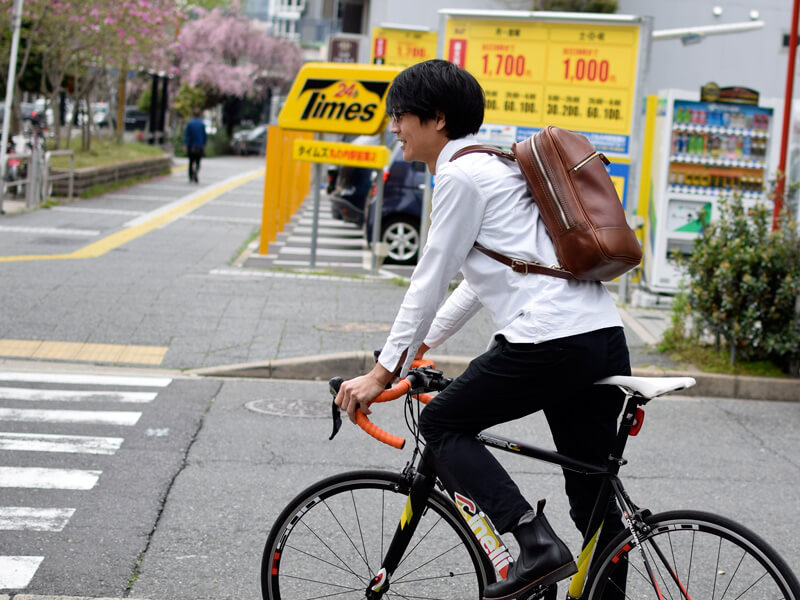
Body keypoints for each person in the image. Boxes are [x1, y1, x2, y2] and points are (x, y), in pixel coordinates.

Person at [334, 59, 631, 600]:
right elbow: (481, 277)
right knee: (591, 496)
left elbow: (429, 278)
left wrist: (382, 372)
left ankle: (535, 545)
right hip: (599, 336)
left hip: (549, 339)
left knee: (443, 423)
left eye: (399, 115)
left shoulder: (459, 175)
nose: (393, 127)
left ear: (437, 119)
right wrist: (422, 345)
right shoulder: (497, 165)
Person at [183, 108, 207, 183]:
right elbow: (204, 136)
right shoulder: (202, 124)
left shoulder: (190, 123)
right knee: (198, 161)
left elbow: (186, 135)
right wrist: (204, 145)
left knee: (191, 161)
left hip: (191, 145)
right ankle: (196, 171)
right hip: (199, 146)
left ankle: (191, 176)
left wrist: (185, 144)